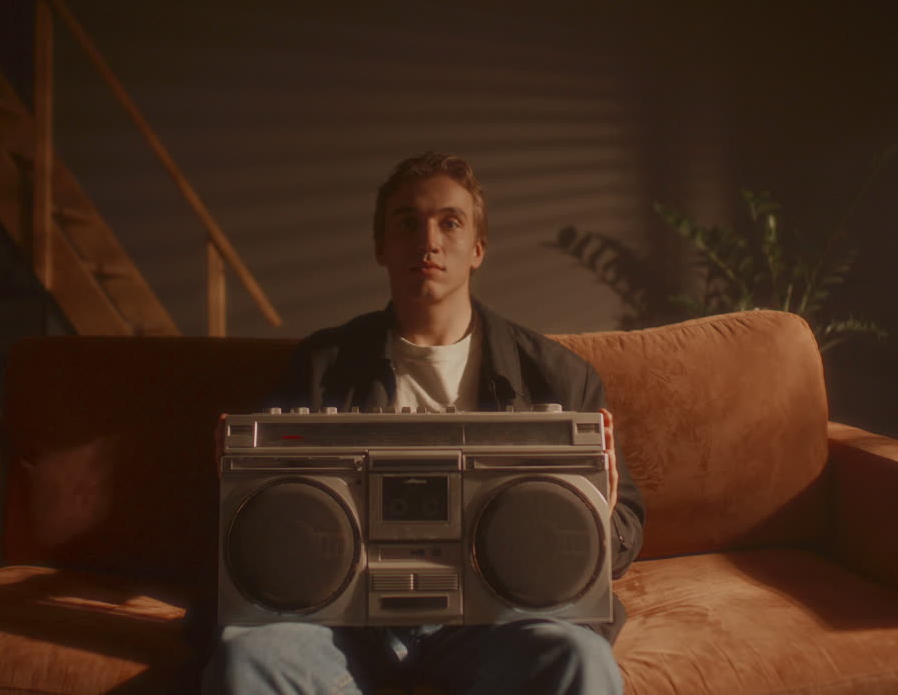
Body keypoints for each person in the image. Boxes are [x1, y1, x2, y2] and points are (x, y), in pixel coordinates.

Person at [204, 152, 646, 694]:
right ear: (380, 246)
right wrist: (242, 487)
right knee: (250, 659)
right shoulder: (321, 365)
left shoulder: (557, 377)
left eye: (450, 222)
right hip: (341, 619)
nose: (428, 240)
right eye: (407, 223)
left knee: (579, 658)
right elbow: (268, 530)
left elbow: (626, 527)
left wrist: (595, 515)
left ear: (478, 248)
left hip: (501, 618)